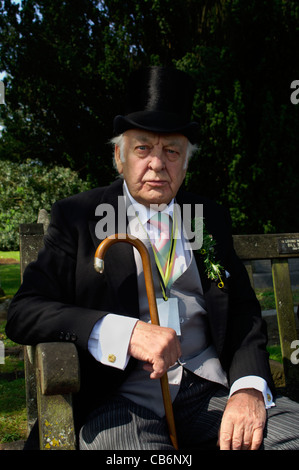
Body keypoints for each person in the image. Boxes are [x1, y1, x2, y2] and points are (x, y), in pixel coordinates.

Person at [6, 66, 299, 451]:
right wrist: (123, 333)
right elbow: (24, 312)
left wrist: (248, 388)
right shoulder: (77, 216)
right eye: (143, 148)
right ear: (119, 156)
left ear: (186, 162)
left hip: (211, 388)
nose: (158, 164)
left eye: (172, 151)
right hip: (119, 399)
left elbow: (243, 311)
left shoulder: (208, 217)